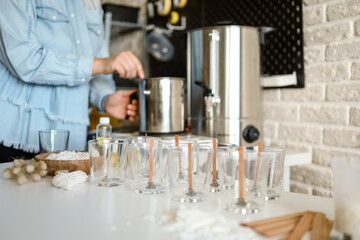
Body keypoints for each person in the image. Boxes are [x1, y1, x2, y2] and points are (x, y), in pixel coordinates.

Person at [0, 0, 144, 163]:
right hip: (14, 138)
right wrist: (100, 64)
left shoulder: (92, 3)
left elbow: (97, 67)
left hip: (70, 145)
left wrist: (105, 98)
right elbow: (24, 59)